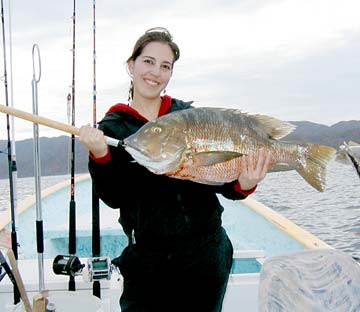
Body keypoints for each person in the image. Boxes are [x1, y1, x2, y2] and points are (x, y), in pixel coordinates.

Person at [79, 27, 271, 312]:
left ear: (170, 74)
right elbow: (114, 197)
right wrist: (100, 155)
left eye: (165, 66)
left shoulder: (188, 117)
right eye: (148, 61)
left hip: (206, 253)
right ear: (131, 66)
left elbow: (224, 185)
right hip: (148, 260)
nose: (155, 72)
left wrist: (244, 183)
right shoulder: (114, 128)